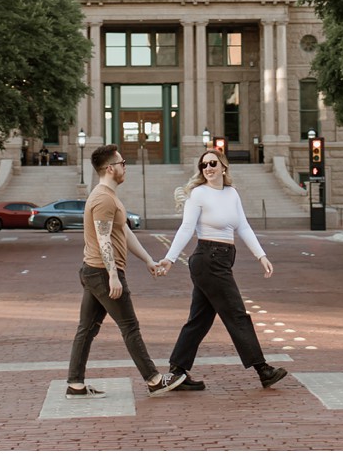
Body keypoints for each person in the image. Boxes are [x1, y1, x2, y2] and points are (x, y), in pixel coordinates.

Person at [157, 149, 290, 390]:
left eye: (212, 164)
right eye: (203, 165)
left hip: (223, 259)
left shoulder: (232, 193)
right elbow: (187, 228)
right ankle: (263, 369)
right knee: (237, 313)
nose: (207, 168)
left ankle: (178, 371)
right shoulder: (198, 194)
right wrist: (170, 258)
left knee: (199, 319)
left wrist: (261, 255)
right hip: (208, 259)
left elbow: (244, 227)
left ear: (223, 167)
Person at [64, 144, 186, 398]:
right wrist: (112, 275)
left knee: (86, 329)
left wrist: (148, 260)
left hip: (94, 271)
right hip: (101, 272)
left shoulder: (109, 196)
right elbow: (104, 238)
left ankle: (75, 383)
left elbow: (124, 232)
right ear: (110, 168)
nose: (125, 167)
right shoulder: (103, 198)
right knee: (130, 326)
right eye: (122, 163)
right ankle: (153, 379)